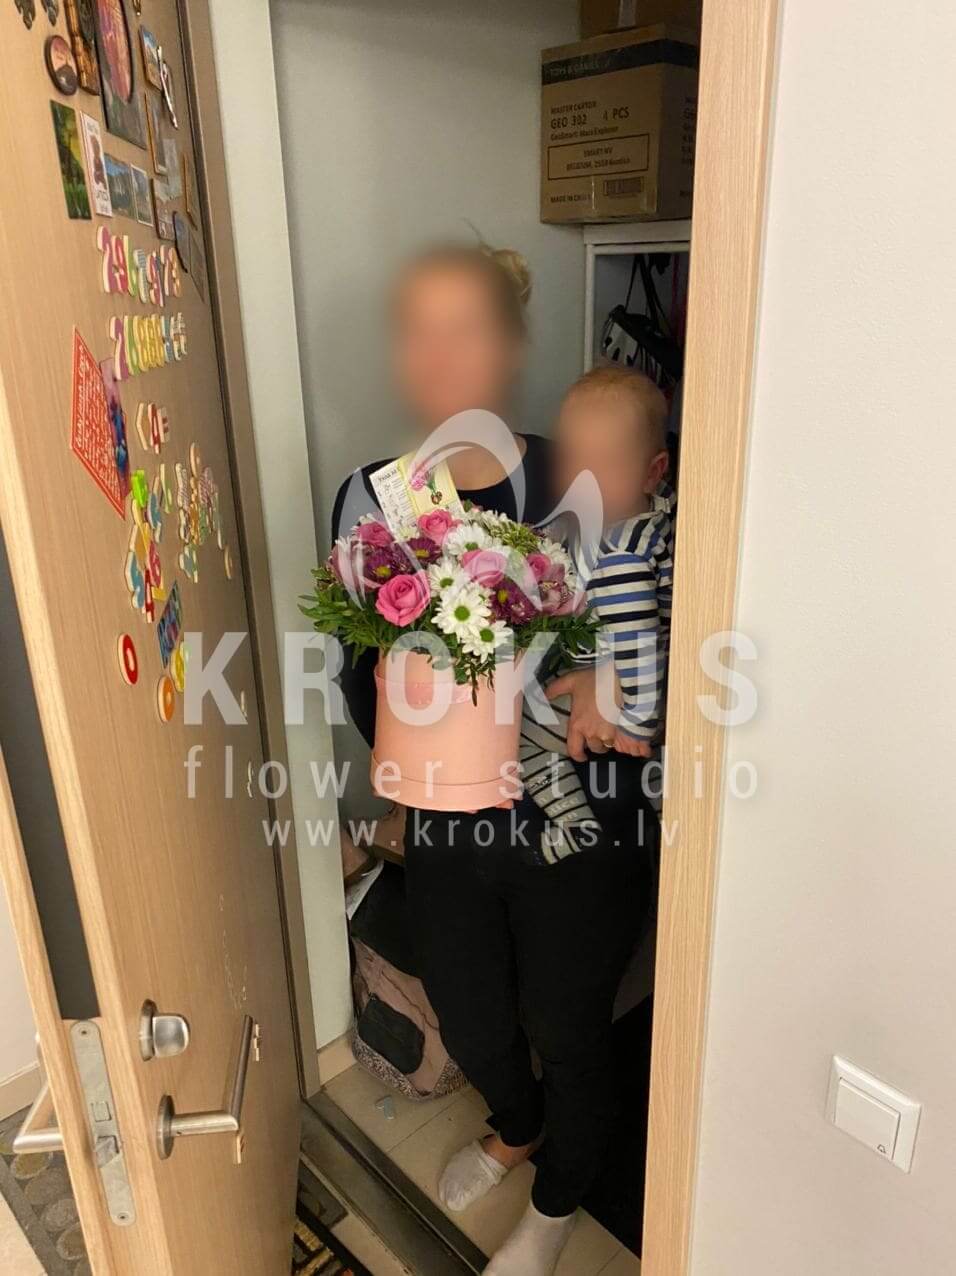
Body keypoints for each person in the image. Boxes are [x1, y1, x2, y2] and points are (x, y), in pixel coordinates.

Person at [331, 242, 655, 1275]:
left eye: (465, 328)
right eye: (418, 330)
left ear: (510, 344)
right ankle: (517, 1125)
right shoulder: (373, 498)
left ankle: (557, 1201)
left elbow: (653, 596)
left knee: (569, 1025)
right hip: (447, 816)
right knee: (472, 1016)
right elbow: (355, 669)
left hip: (577, 816)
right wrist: (417, 732)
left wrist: (604, 677)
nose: (439, 354)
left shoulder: (579, 468)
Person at [520, 365, 675, 861]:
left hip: (631, 683)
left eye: (604, 464)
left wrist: (638, 724)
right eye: (572, 460)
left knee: (518, 733)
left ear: (653, 471)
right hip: (621, 671)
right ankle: (667, 812)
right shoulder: (643, 519)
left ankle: (573, 823)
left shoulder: (620, 556)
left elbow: (638, 643)